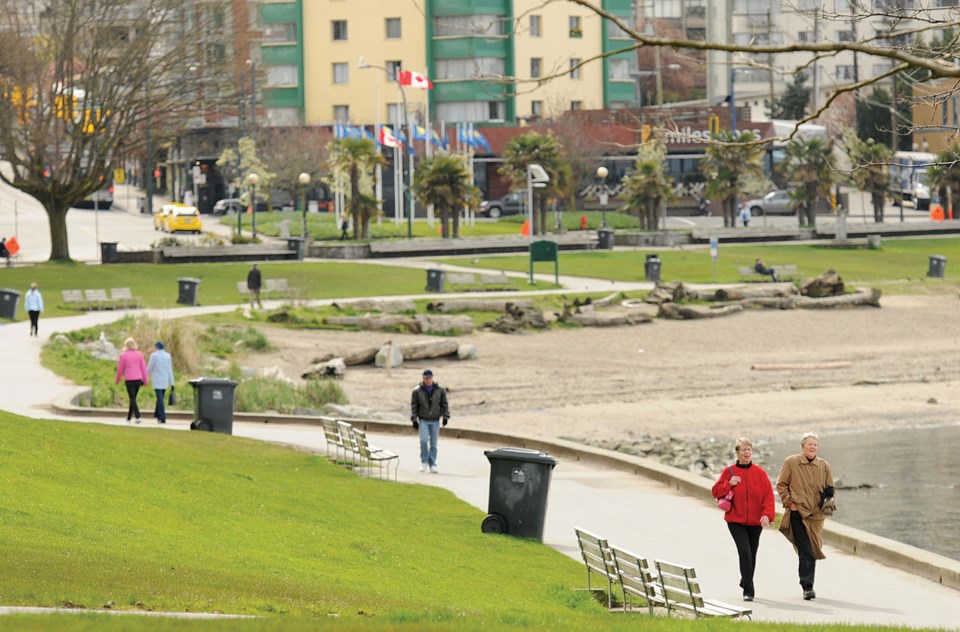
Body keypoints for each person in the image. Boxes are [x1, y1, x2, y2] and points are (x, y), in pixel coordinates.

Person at [712, 437, 776, 602]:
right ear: (737, 453)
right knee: (745, 552)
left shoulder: (760, 473)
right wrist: (729, 484)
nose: (747, 452)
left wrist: (767, 515)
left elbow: (768, 497)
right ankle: (749, 590)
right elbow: (715, 492)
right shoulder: (729, 471)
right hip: (735, 521)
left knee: (752, 554)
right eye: (743, 450)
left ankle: (744, 579)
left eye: (749, 449)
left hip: (755, 522)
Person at [776, 432, 835, 601]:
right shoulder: (791, 462)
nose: (812, 447)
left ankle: (807, 584)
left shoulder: (824, 466)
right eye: (809, 444)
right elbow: (781, 484)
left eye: (815, 444)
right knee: (806, 549)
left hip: (816, 515)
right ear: (802, 446)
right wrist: (789, 503)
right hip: (797, 514)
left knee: (814, 547)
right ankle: (807, 586)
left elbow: (831, 488)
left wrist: (829, 496)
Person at [410, 369, 449, 474]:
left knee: (433, 443)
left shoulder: (440, 390)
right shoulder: (417, 391)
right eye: (426, 378)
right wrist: (414, 419)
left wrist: (445, 417)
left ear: (432, 378)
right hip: (423, 419)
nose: (428, 380)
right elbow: (414, 406)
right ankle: (424, 461)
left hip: (435, 419)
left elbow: (444, 404)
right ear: (423, 379)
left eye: (429, 378)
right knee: (423, 441)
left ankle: (432, 463)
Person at [115, 337, 149, 424]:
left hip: (129, 379)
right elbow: (143, 368)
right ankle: (129, 418)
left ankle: (138, 416)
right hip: (138, 379)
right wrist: (145, 380)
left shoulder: (123, 355)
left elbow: (120, 369)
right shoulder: (139, 354)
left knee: (132, 398)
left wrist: (117, 379)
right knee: (133, 399)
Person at [146, 341, 175, 424]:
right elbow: (169, 369)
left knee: (160, 398)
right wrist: (172, 382)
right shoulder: (167, 356)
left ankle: (162, 417)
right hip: (165, 380)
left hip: (157, 379)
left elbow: (150, 368)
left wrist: (145, 377)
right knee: (160, 397)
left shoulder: (154, 356)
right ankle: (157, 414)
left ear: (156, 347)